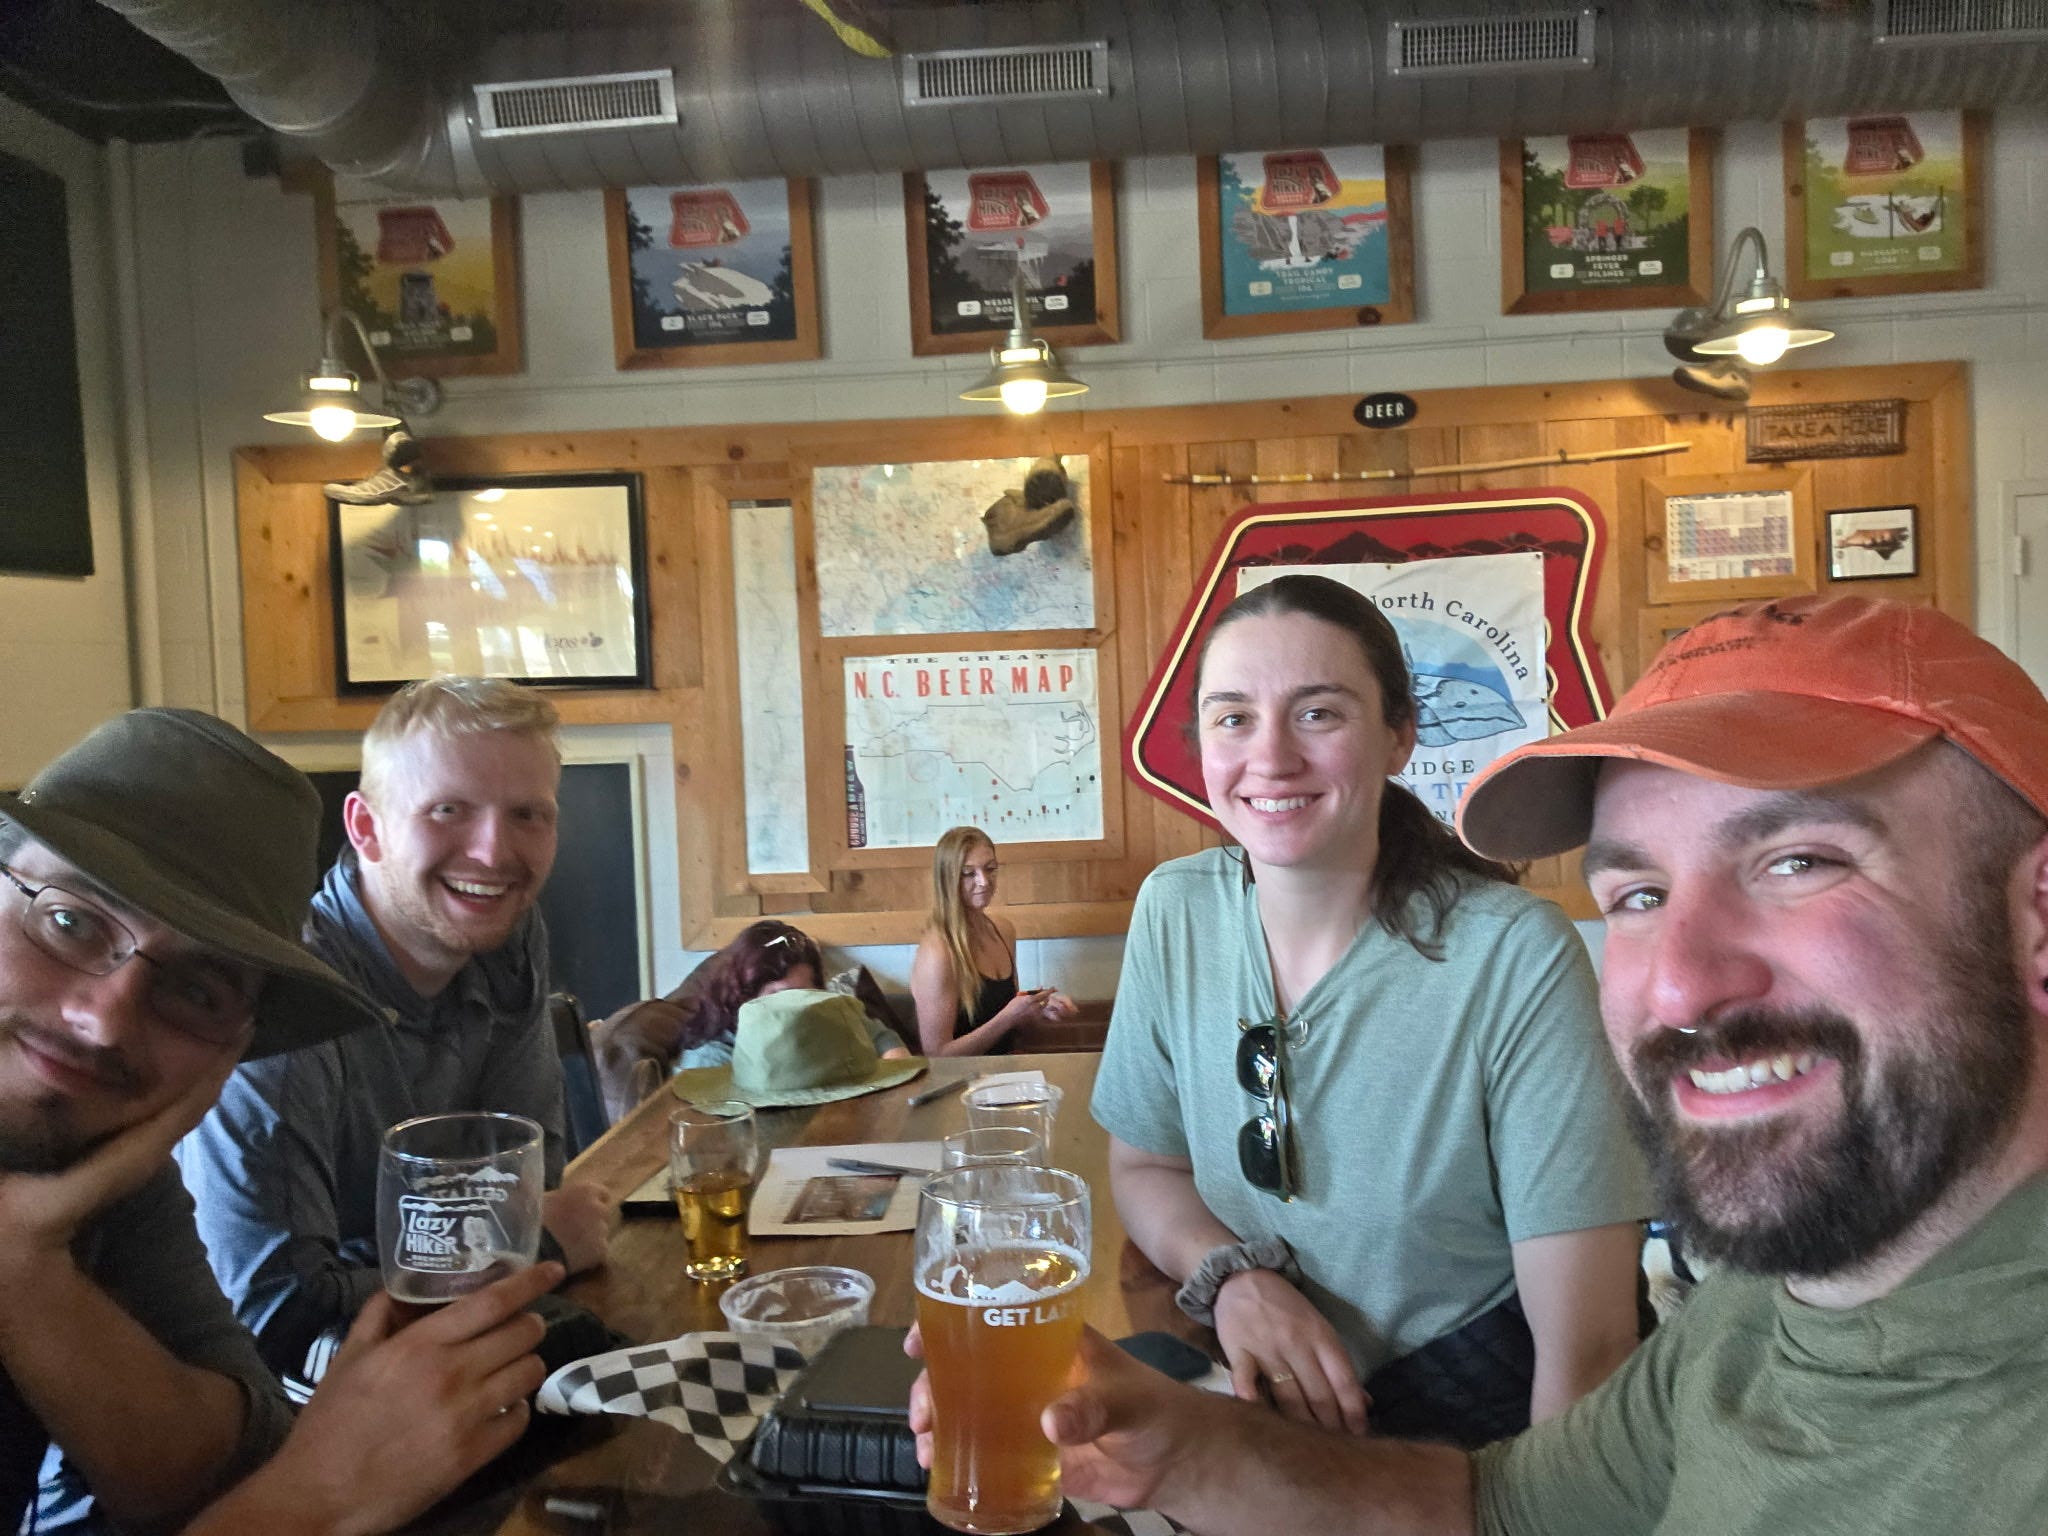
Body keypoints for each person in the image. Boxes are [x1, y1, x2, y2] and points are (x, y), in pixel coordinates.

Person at [969, 593, 2048, 1533]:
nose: (1678, 989)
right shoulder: (1756, 1309)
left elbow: (1572, 1365)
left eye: (1799, 862)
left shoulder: (1504, 955)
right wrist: (1187, 1453)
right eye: (1637, 895)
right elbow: (1510, 1507)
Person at [1091, 574, 1651, 1446]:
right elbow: (1145, 1167)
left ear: (1399, 735)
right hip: (1271, 1407)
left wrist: (1533, 1506)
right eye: (1233, 718)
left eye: (1318, 713)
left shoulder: (1514, 955)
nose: (1271, 758)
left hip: (1481, 1419)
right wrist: (1233, 1278)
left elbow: (1590, 1354)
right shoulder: (1176, 910)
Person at [3, 707, 563, 1536]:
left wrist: (25, 1271)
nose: (103, 1021)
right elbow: (277, 1339)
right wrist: (313, 1499)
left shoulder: (102, 1163)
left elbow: (203, 1474)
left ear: (235, 1039)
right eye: (69, 922)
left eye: (196, 989)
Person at [179, 677, 617, 1397]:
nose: (493, 853)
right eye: (448, 810)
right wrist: (532, 1247)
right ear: (366, 828)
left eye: (527, 815)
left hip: (450, 1366)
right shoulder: (283, 999)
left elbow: (527, 1181)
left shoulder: (506, 935)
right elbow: (278, 1313)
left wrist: (484, 1242)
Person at [592, 920, 909, 1117]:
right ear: (745, 997)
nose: (796, 1008)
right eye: (779, 997)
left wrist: (897, 1093)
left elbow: (879, 1036)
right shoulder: (710, 1060)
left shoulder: (827, 1015)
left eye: (805, 994)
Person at [911, 825, 1075, 1057]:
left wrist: (1039, 1011)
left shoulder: (1003, 930)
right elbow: (938, 1055)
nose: (984, 882)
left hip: (1006, 1069)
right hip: (961, 1077)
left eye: (990, 869)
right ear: (947, 879)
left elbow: (1010, 1025)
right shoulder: (938, 951)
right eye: (968, 873)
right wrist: (1008, 1017)